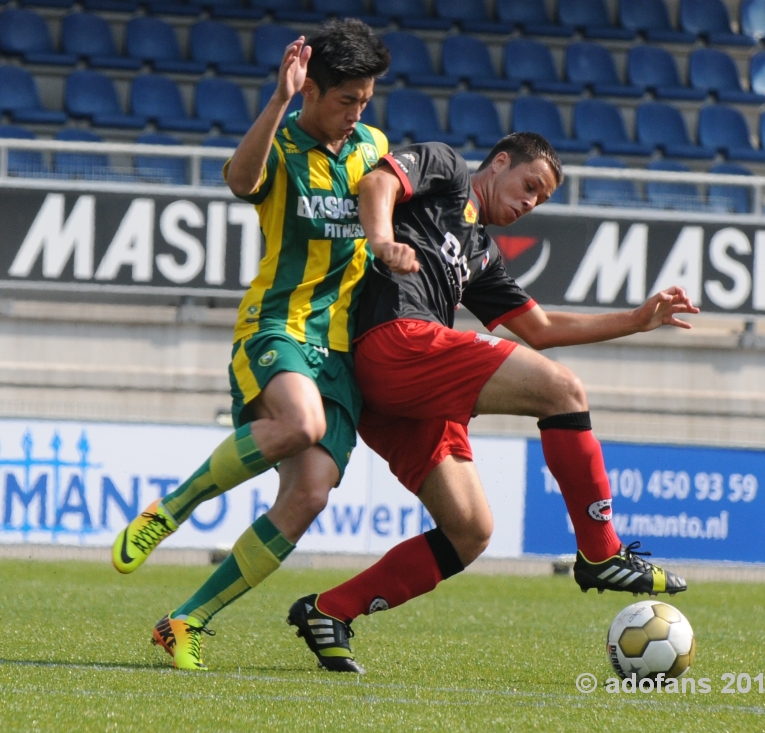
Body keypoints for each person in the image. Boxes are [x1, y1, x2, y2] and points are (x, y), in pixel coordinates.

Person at [286, 133, 700, 674]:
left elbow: (540, 329)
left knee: (471, 530)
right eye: (529, 186)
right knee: (563, 390)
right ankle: (601, 552)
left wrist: (635, 320)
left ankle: (329, 611)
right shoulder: (448, 168)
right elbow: (378, 181)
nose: (530, 203)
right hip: (396, 339)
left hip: (400, 398)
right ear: (500, 162)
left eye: (541, 200)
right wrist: (383, 242)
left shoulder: (480, 255)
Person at [111, 19, 393, 671]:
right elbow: (240, 181)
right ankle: (170, 508)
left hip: (342, 351)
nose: (356, 113)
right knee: (300, 422)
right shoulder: (285, 142)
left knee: (311, 493)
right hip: (277, 325)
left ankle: (186, 620)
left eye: (365, 101)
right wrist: (278, 101)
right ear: (313, 92)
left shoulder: (373, 147)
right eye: (345, 100)